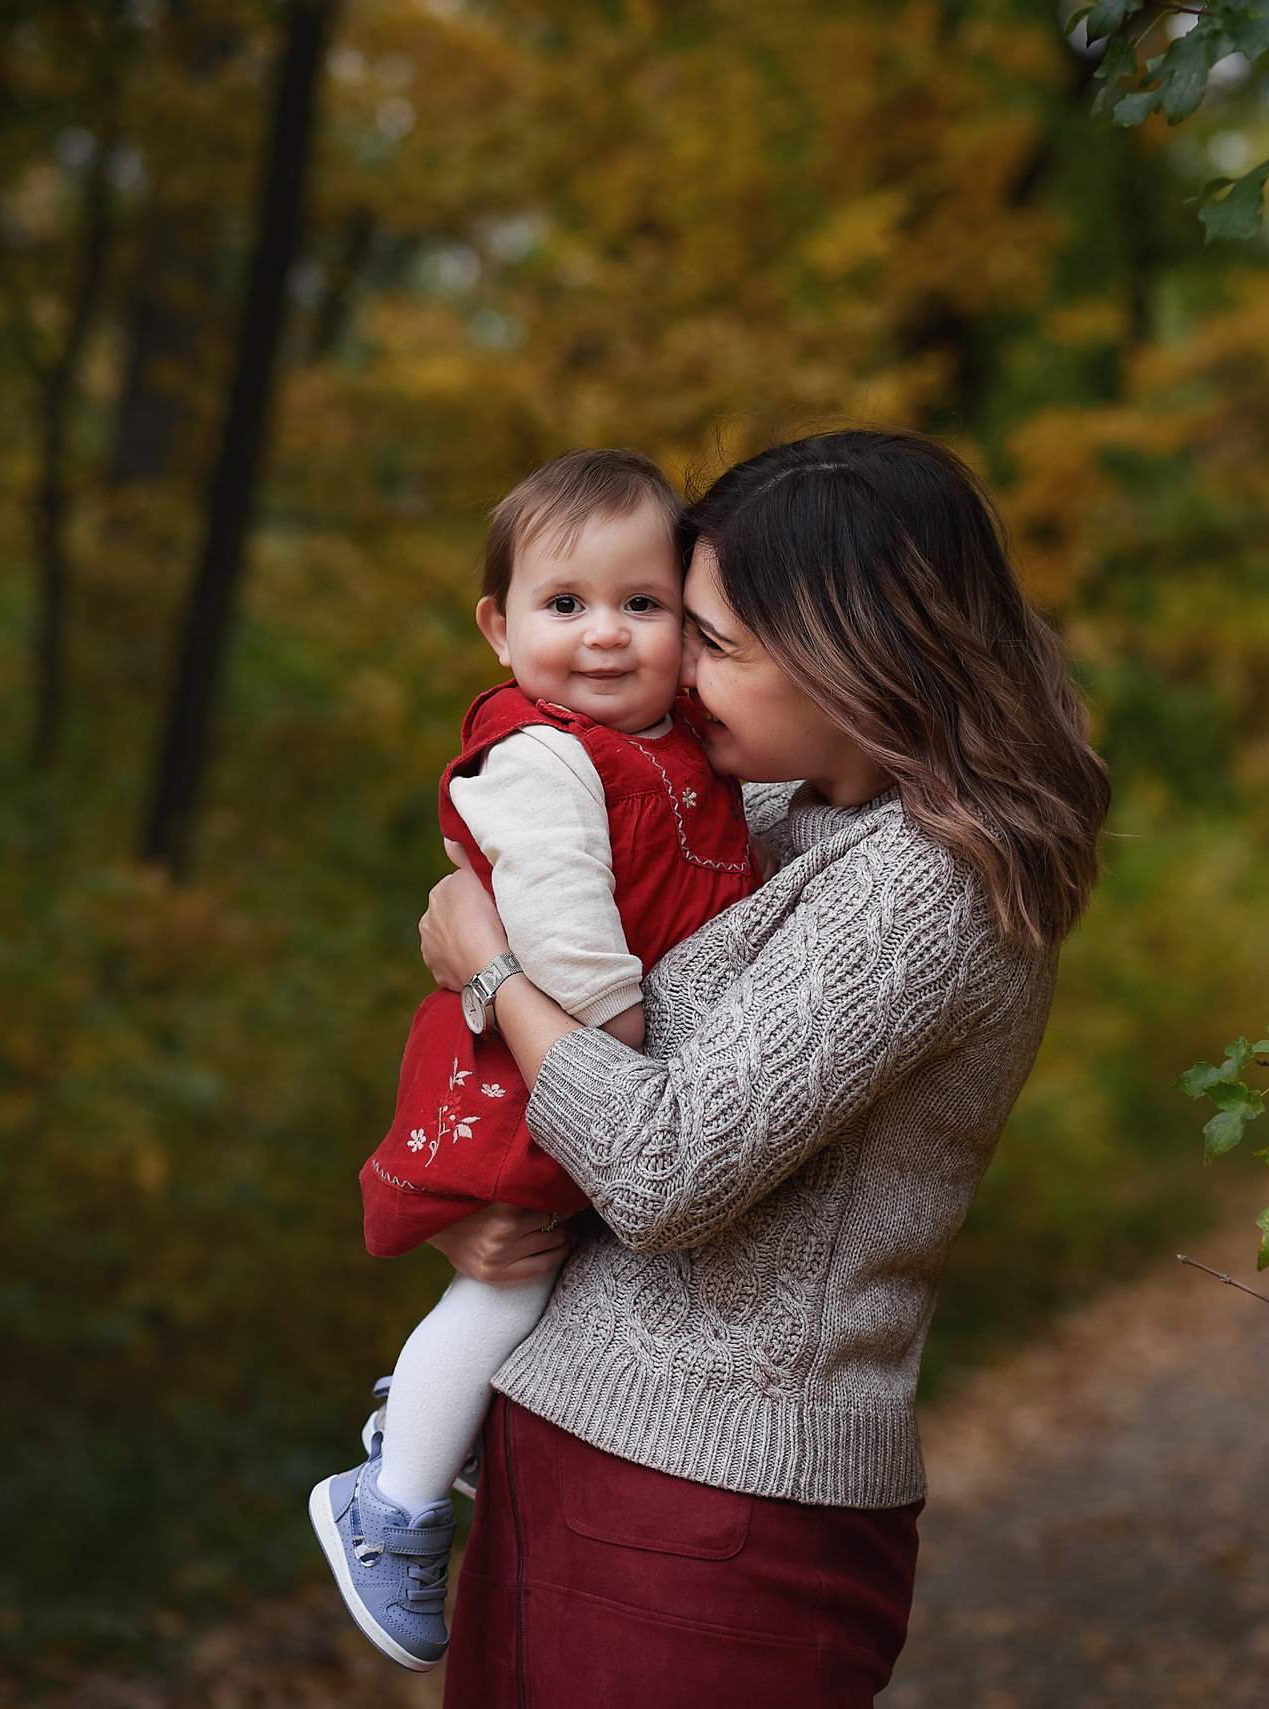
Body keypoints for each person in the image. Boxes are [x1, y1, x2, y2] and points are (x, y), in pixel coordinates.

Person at [415, 429, 1111, 1706]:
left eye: (715, 641)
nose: (679, 670)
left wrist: (489, 970)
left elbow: (660, 1165)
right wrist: (488, 1215)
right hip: (565, 1448)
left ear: (856, 652)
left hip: (711, 1511)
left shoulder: (928, 882)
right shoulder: (779, 812)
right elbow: (581, 1032)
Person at [310, 448, 762, 1672]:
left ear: (692, 627)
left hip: (569, 1058)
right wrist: (615, 1036)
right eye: (565, 603)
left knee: (543, 1268)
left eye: (641, 603)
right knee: (508, 1277)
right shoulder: (540, 756)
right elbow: (559, 919)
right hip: (537, 1061)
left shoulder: (685, 749)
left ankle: (434, 1417)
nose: (605, 633)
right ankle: (390, 1500)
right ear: (498, 629)